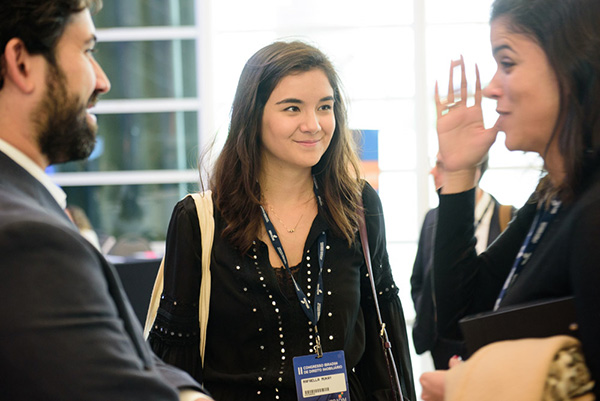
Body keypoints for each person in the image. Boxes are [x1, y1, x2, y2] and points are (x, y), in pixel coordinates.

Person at [147, 40, 417, 401]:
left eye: (325, 107)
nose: (313, 125)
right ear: (252, 114)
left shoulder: (358, 205)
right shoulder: (198, 220)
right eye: (292, 108)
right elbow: (174, 360)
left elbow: (384, 342)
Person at [0, 1, 211, 400]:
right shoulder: (26, 238)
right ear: (21, 63)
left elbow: (119, 355)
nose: (102, 81)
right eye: (87, 51)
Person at [420, 0, 600, 398]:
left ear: (572, 65)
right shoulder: (551, 198)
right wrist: (460, 173)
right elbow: (460, 317)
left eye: (508, 63)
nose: (490, 87)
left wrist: (474, 388)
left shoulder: (591, 211)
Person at [410, 154, 516, 369]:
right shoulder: (432, 218)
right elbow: (418, 279)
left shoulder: (509, 218)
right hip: (442, 344)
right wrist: (429, 314)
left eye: (441, 165)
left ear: (474, 170)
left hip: (488, 343)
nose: (432, 172)